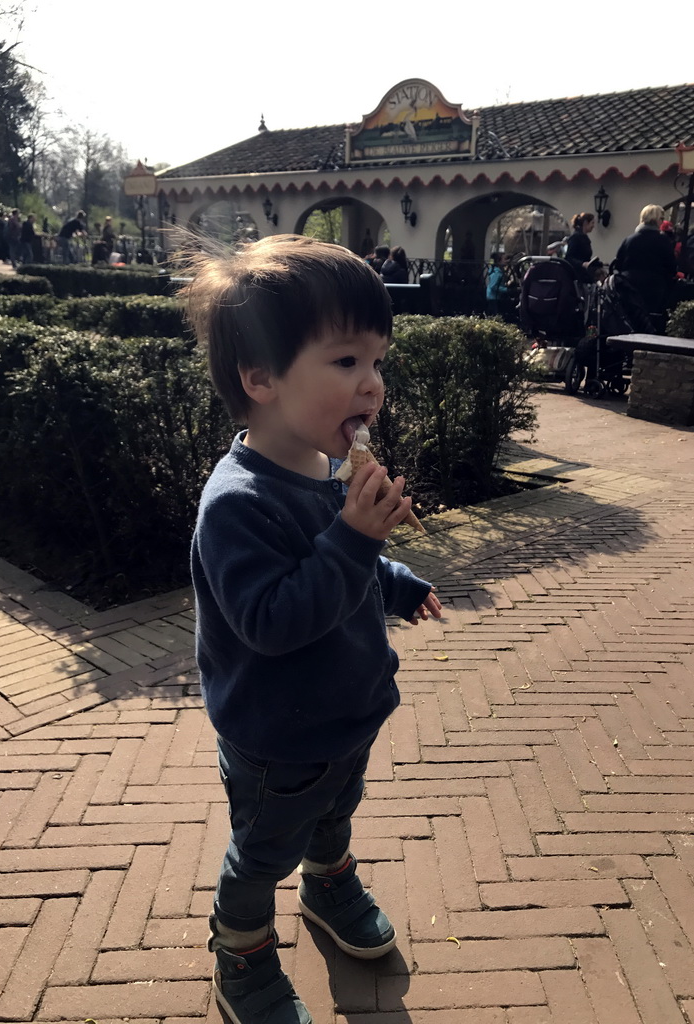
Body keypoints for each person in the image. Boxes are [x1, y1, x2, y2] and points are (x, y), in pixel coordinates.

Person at [182, 234, 442, 1024]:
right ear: (259, 378)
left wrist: (392, 580)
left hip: (348, 711)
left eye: (377, 361)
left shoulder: (329, 471)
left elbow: (342, 571)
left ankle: (328, 879)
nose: (373, 385)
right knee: (262, 851)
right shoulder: (237, 505)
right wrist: (359, 540)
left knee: (336, 811)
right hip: (276, 736)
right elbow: (273, 619)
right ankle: (242, 947)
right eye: (345, 363)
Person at [614, 204, 677, 328]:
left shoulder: (629, 240)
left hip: (630, 287)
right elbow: (671, 266)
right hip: (655, 287)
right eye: (661, 218)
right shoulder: (663, 241)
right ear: (655, 220)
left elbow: (618, 263)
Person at [565, 212, 597, 281]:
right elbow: (569, 257)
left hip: (584, 274)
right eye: (592, 223)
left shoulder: (584, 237)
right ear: (586, 223)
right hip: (577, 276)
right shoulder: (575, 237)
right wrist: (582, 264)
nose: (593, 226)